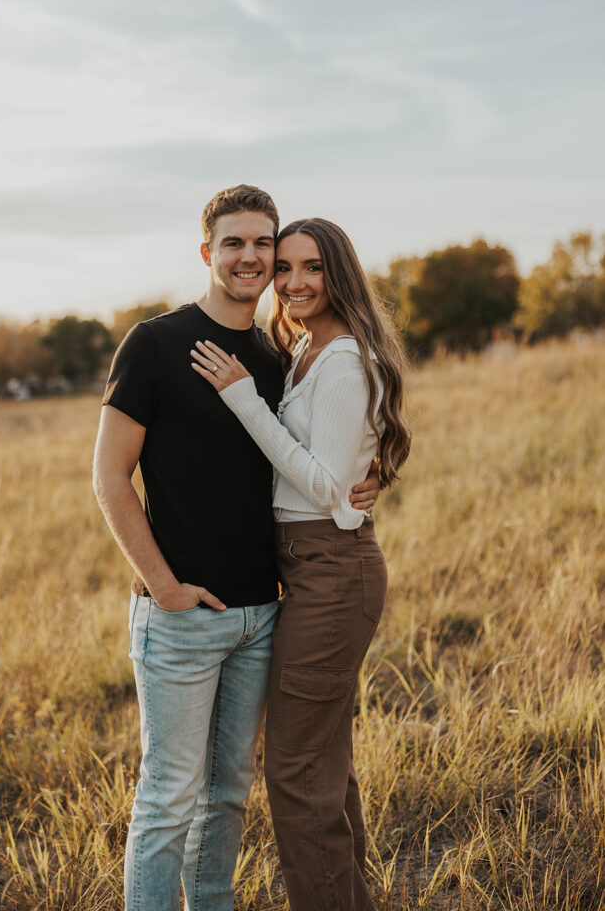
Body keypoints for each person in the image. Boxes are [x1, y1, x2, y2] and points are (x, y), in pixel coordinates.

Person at [92, 186, 380, 911]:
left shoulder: (278, 354)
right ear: (207, 253)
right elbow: (108, 478)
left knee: (228, 794)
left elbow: (315, 455)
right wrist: (161, 585)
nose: (253, 258)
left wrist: (365, 479)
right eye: (236, 243)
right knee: (167, 797)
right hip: (182, 614)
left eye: (264, 245)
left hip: (263, 613)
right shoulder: (154, 343)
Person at [191, 216, 411, 911]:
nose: (291, 283)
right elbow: (336, 466)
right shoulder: (308, 353)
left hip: (332, 571)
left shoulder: (342, 358)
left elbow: (321, 482)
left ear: (338, 272)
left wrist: (241, 399)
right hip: (309, 565)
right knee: (323, 768)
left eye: (310, 267)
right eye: (283, 268)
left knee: (294, 772)